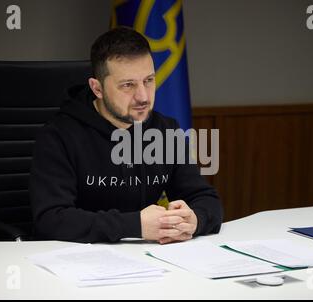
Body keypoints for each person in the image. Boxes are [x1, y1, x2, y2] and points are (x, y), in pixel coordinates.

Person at [30, 27, 223, 244]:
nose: (143, 96)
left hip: (148, 260)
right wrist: (135, 225)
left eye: (149, 80)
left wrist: (194, 219)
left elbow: (207, 200)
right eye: (128, 85)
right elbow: (51, 220)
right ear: (97, 88)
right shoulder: (58, 135)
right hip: (77, 263)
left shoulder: (165, 130)